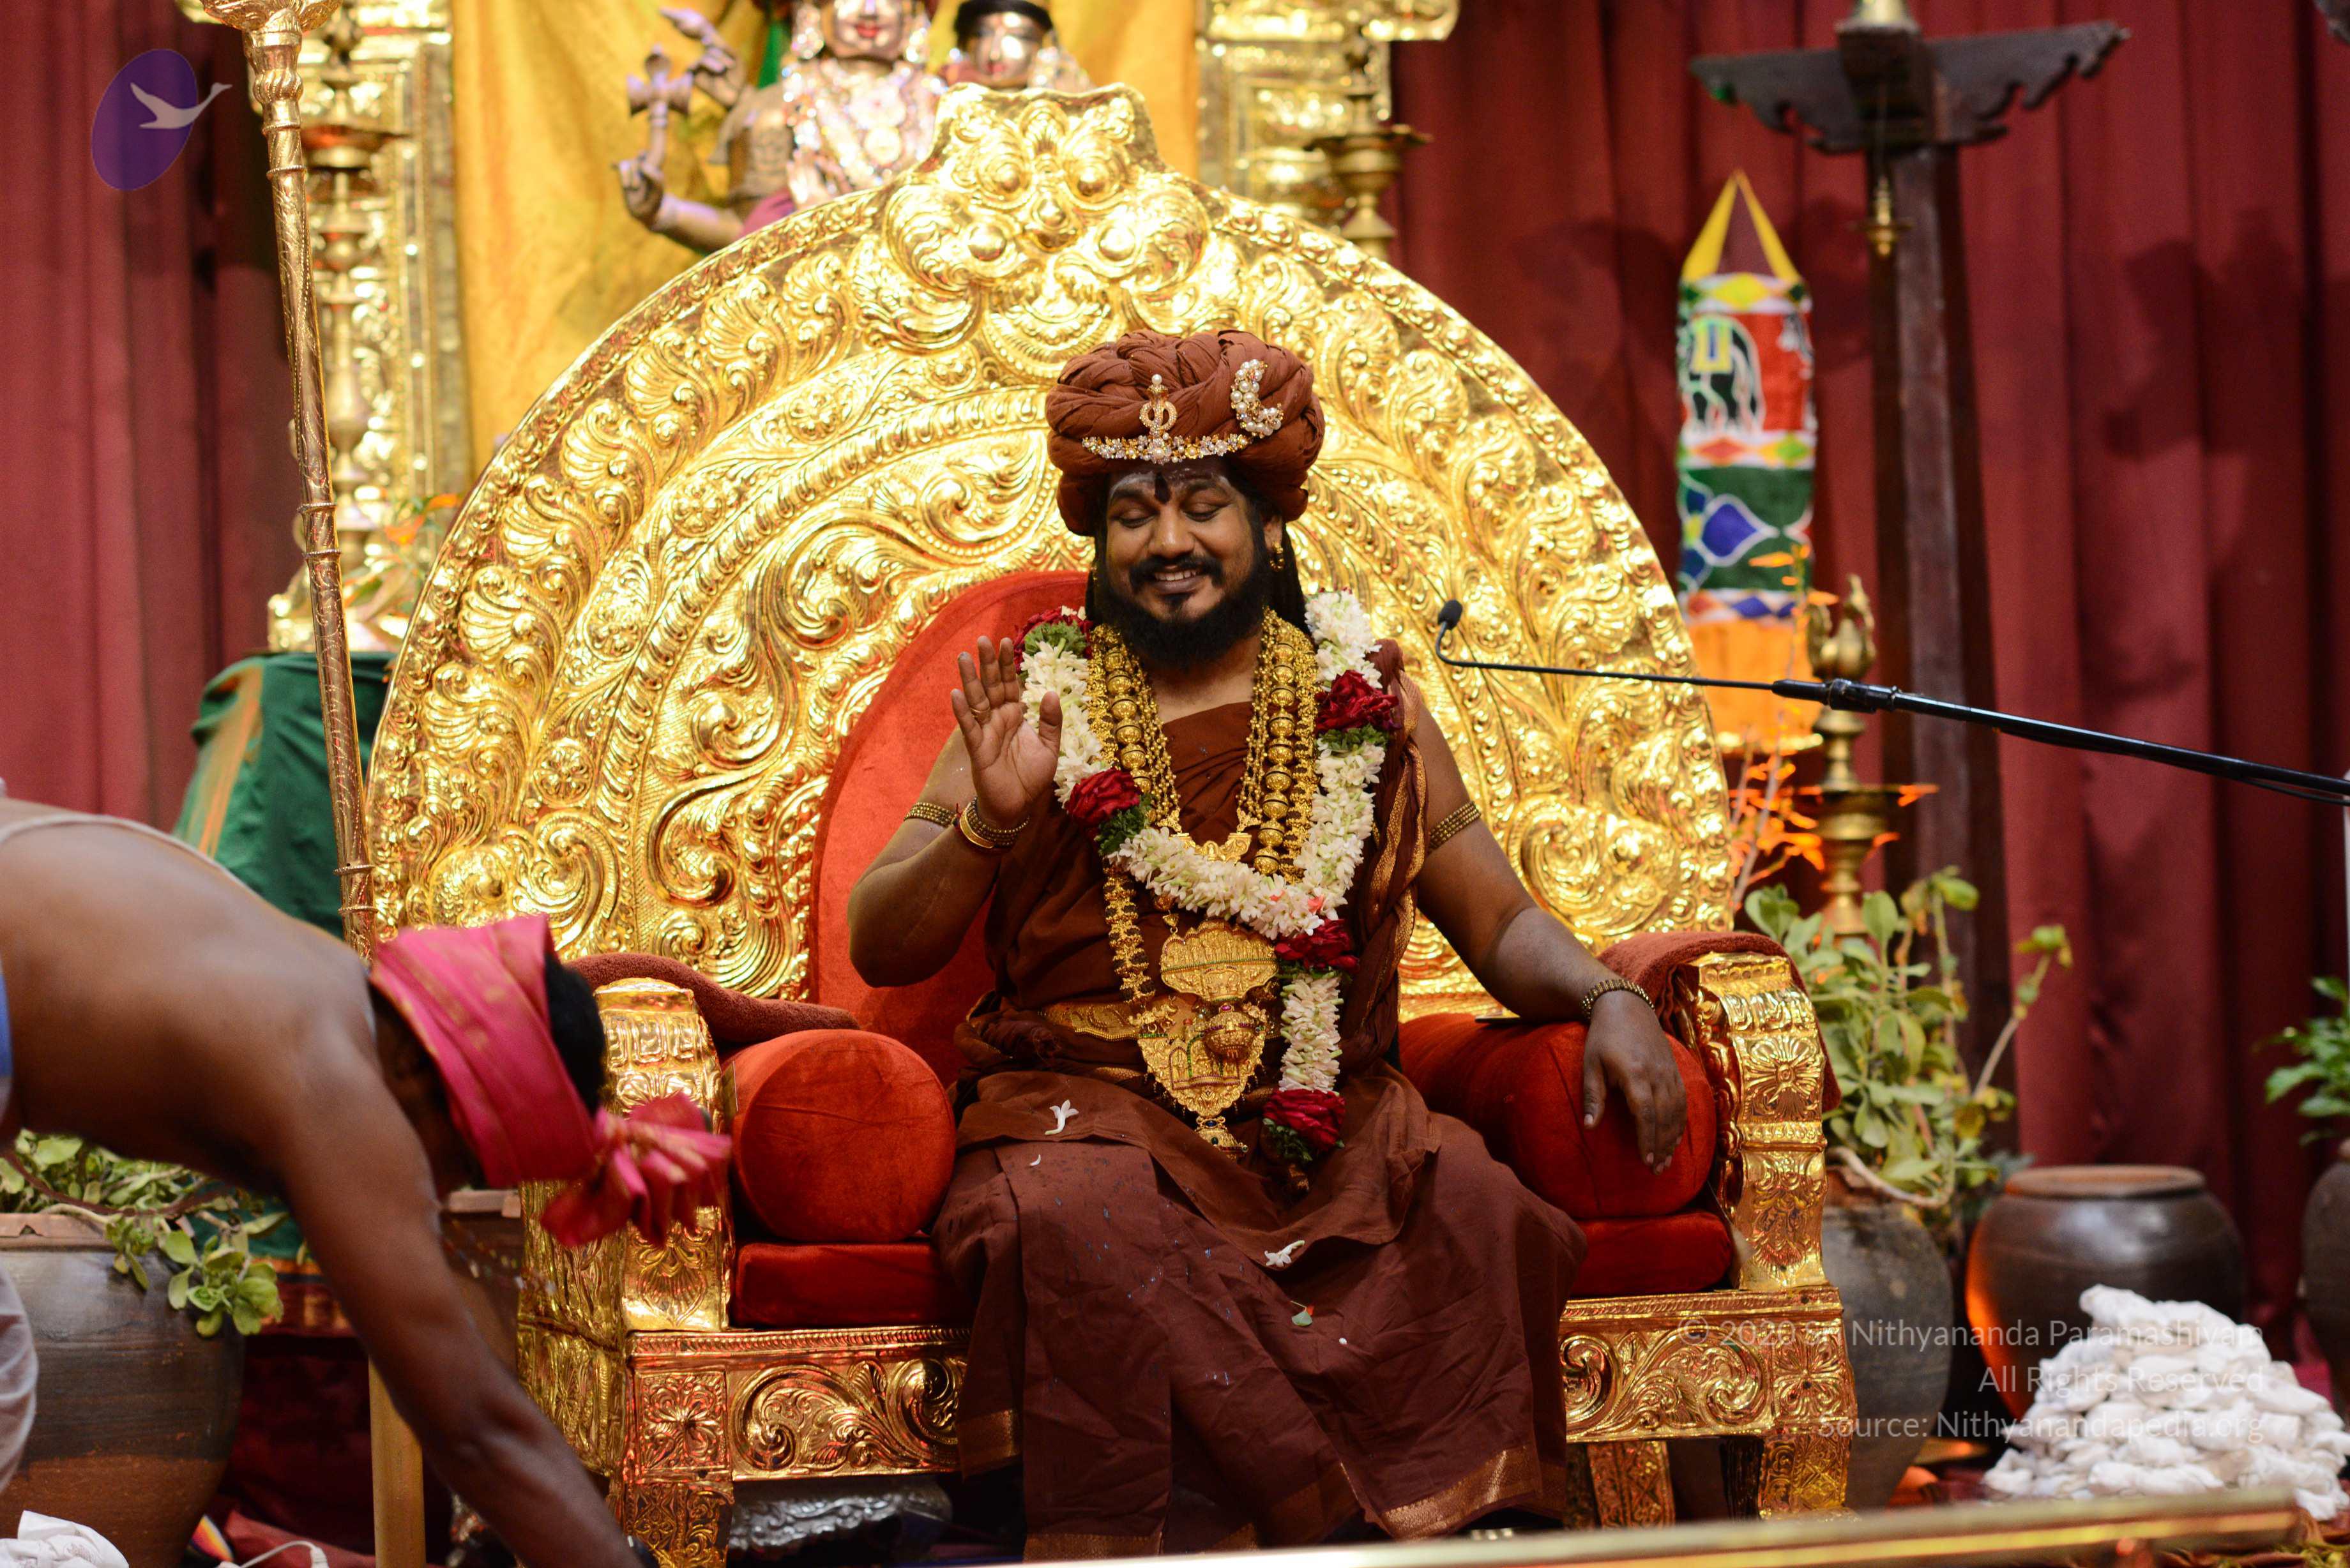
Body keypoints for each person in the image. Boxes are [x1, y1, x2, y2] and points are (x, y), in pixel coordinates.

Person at [845, 328, 1696, 1554]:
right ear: (1098, 539)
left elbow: (1502, 920)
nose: (1169, 541)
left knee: (1475, 1203)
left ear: (1268, 521)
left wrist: (1611, 997)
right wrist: (992, 818)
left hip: (1325, 1117)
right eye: (1133, 513)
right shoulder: (1041, 705)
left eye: (1202, 506)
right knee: (1073, 1223)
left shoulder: (1369, 706)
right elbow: (884, 946)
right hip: (1092, 1110)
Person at [0, 794, 727, 1568]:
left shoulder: (324, 982)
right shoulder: (345, 1082)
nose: (437, 1192)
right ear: (420, 1069)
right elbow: (475, 1428)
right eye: (461, 1165)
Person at [942, 0, 1090, 92]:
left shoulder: (1063, 111)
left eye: (1018, 35)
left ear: (1044, 44)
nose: (995, 54)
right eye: (982, 34)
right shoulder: (939, 107)